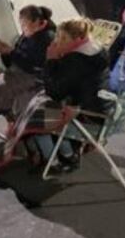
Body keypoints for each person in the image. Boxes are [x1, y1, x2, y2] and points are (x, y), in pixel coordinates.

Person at [27, 18, 110, 172]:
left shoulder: (76, 60)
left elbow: (54, 92)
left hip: (87, 117)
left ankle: (51, 161)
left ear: (78, 39)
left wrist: (50, 60)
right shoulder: (98, 51)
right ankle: (68, 154)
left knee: (36, 116)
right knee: (42, 106)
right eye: (58, 37)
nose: (59, 41)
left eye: (64, 38)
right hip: (101, 112)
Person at [0, 5, 57, 117]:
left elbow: (33, 65)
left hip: (34, 78)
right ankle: (9, 119)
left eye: (24, 24)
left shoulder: (47, 38)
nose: (22, 28)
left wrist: (11, 52)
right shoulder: (26, 35)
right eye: (21, 24)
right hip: (18, 73)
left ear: (36, 22)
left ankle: (12, 118)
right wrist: (5, 53)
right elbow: (13, 63)